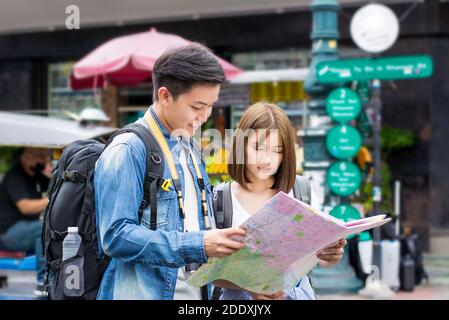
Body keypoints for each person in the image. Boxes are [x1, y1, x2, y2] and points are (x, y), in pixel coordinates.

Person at [94, 43, 247, 300]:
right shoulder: (129, 148)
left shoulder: (189, 147)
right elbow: (115, 235)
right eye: (197, 107)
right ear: (165, 96)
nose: (205, 117)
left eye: (211, 106)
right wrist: (198, 244)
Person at [214, 102, 346, 300]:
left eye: (277, 150)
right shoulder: (220, 198)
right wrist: (251, 285)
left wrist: (331, 256)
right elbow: (207, 272)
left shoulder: (302, 192)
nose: (267, 159)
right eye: (258, 148)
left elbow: (319, 260)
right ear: (241, 146)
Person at [0, 147, 52, 296]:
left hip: (20, 229)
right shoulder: (15, 177)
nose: (43, 159)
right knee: (42, 228)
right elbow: (26, 207)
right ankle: (43, 281)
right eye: (39, 156)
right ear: (25, 157)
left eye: (45, 156)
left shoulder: (33, 176)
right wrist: (52, 200)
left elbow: (54, 185)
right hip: (7, 233)